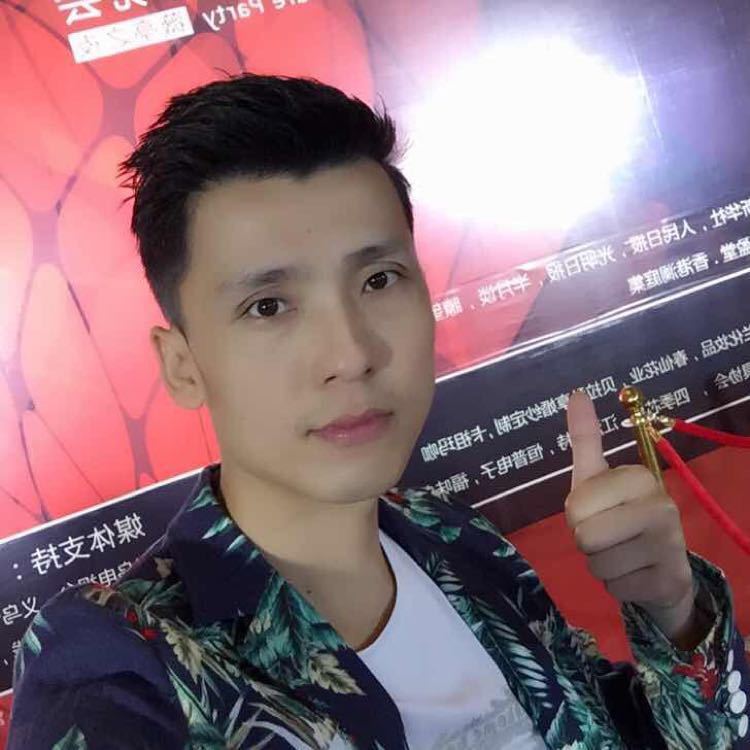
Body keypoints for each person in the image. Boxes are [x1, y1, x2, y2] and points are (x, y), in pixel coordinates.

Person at [7, 74, 749, 750]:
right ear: (183, 365)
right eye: (268, 306)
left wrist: (673, 611)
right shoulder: (123, 662)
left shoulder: (454, 538)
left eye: (379, 279)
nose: (353, 353)